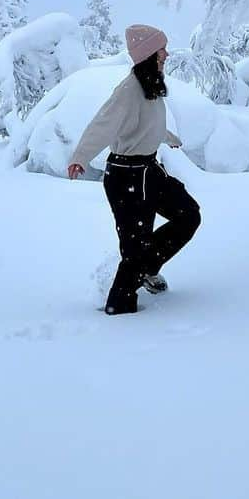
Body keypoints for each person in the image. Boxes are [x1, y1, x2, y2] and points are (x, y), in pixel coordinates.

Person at [68, 24, 202, 315]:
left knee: (188, 215)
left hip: (149, 171)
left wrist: (166, 137)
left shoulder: (150, 83)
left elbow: (144, 122)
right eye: (161, 49)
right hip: (125, 175)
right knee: (133, 250)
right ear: (147, 54)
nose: (166, 54)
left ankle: (146, 267)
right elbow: (104, 123)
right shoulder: (128, 90)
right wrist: (80, 156)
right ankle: (120, 310)